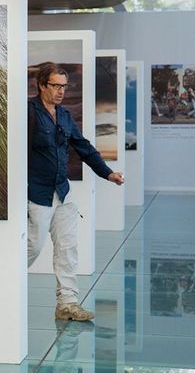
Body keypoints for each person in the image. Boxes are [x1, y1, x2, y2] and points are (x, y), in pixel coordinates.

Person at [28, 63, 124, 321]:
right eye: (56, 86)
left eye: (64, 86)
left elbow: (84, 147)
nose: (61, 91)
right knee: (33, 247)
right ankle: (3, 285)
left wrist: (107, 173)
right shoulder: (29, 112)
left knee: (68, 248)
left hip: (63, 192)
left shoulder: (66, 115)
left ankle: (67, 304)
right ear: (41, 85)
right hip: (37, 193)